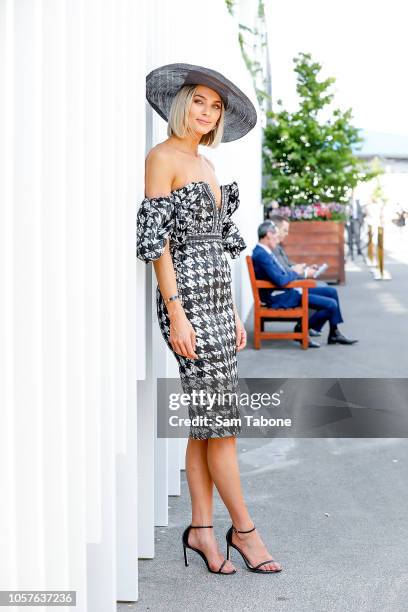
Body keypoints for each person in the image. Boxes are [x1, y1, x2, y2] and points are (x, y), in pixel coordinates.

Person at [137, 63, 282, 575]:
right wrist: (176, 313)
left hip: (218, 301)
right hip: (188, 301)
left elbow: (220, 244)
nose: (206, 112)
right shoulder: (163, 158)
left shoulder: (208, 166)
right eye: (199, 100)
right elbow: (157, 243)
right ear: (181, 104)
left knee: (207, 424)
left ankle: (201, 530)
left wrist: (234, 312)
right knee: (223, 428)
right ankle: (245, 532)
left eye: (215, 106)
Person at [252, 221, 358, 347]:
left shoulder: (264, 252)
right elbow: (280, 280)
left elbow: (280, 274)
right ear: (269, 234)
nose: (278, 238)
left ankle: (333, 333)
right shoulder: (262, 254)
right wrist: (295, 272)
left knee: (331, 292)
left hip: (286, 291)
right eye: (276, 235)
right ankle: (302, 329)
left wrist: (296, 270)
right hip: (279, 296)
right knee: (331, 305)